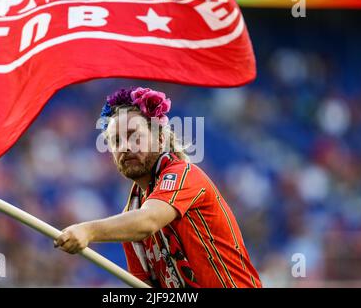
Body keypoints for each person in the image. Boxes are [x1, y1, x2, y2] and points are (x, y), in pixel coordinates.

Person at [54, 87, 262, 288]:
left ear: (160, 138)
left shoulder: (183, 175)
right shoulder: (131, 216)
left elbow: (148, 221)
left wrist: (88, 231)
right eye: (116, 141)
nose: (126, 146)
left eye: (135, 136)